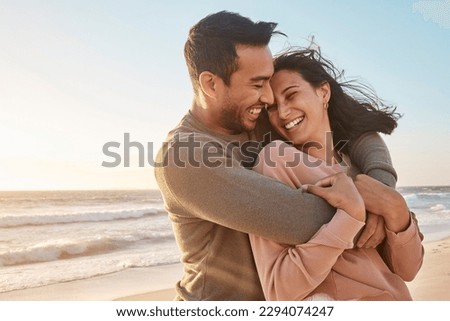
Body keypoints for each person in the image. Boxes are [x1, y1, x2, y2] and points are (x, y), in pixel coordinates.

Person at [155, 11, 401, 301]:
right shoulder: (184, 157)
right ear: (211, 84)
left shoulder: (253, 117)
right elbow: (304, 221)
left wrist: (381, 185)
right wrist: (376, 211)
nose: (270, 98)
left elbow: (354, 129)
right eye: (257, 84)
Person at [249, 49, 424, 300]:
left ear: (323, 92)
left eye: (292, 95)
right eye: (273, 108)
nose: (284, 113)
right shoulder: (276, 161)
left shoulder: (360, 167)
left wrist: (397, 209)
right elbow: (279, 291)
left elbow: (408, 270)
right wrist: (349, 217)